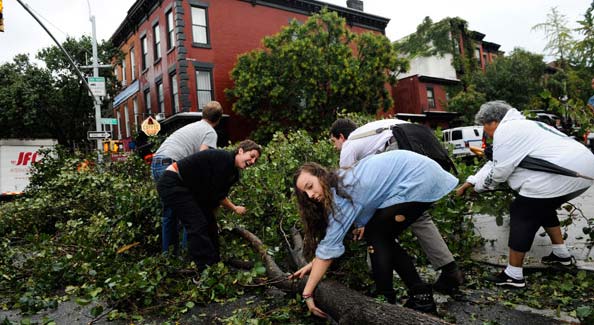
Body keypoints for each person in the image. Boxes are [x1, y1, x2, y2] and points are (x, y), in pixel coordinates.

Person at [290, 150, 458, 316]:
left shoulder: (343, 193)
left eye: (310, 187)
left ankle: (387, 300)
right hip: (418, 173)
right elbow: (330, 245)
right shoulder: (340, 182)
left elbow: (328, 251)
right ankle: (418, 297)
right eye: (305, 194)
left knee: (377, 235)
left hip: (418, 178)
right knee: (379, 234)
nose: (310, 195)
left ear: (320, 175)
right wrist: (314, 263)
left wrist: (307, 293)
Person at [457, 100, 594, 288]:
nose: (486, 133)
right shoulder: (525, 125)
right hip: (584, 172)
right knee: (542, 206)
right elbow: (495, 163)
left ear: (493, 122)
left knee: (522, 210)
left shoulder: (506, 131)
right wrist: (471, 181)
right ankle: (562, 255)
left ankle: (513, 275)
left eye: (484, 127)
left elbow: (499, 172)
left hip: (567, 172)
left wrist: (479, 187)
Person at [329, 118, 464, 293]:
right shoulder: (371, 131)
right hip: (424, 145)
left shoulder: (350, 143)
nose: (335, 147)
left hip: (400, 147)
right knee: (418, 216)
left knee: (378, 227)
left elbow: (348, 186)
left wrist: (358, 222)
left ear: (341, 137)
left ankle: (382, 281)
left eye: (333, 142)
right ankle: (450, 270)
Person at [156, 140, 261, 273]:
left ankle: (215, 262)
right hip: (173, 182)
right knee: (197, 223)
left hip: (190, 190)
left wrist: (212, 219)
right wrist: (234, 208)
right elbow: (217, 195)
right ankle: (205, 268)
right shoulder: (223, 159)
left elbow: (213, 199)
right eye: (251, 156)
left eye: (255, 160)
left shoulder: (233, 174)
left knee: (209, 224)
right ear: (240, 150)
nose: (252, 162)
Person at [151, 101, 224, 254]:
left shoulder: (192, 127)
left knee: (170, 212)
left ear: (203, 114)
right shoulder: (210, 132)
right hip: (171, 164)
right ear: (218, 119)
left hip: (157, 162)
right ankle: (187, 254)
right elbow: (204, 159)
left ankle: (169, 256)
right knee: (190, 210)